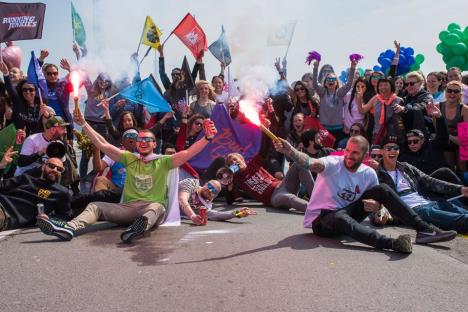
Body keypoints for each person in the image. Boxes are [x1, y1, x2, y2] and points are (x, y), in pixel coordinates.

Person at [37, 109, 218, 243]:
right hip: (128, 208)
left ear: (154, 144)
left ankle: (136, 229)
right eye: (140, 140)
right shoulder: (129, 158)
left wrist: (206, 139)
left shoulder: (164, 161)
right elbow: (103, 144)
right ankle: (69, 228)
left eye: (148, 140)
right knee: (95, 205)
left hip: (151, 209)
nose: (143, 142)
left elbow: (188, 153)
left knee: (157, 207)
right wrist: (84, 124)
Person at [272, 135, 457, 254]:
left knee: (382, 189)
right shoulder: (332, 163)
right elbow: (311, 163)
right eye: (347, 151)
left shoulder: (368, 173)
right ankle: (392, 244)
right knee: (339, 217)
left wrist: (377, 207)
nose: (349, 156)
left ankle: (424, 230)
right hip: (323, 221)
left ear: (364, 154)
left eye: (355, 153)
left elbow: (378, 206)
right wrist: (292, 152)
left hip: (348, 212)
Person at [376, 135, 468, 234]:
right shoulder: (377, 174)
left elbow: (430, 181)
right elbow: (373, 200)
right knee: (461, 220)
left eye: (396, 148)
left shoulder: (406, 167)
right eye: (388, 148)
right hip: (415, 210)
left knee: (464, 213)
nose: (393, 151)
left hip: (431, 202)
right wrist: (377, 217)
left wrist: (460, 189)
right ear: (381, 151)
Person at [0, 148, 72, 233]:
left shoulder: (61, 192)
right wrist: (1, 166)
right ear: (43, 166)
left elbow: (65, 215)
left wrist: (49, 219)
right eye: (51, 166)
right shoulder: (25, 178)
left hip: (6, 216)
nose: (54, 170)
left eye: (59, 169)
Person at [224, 151, 314, 212]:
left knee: (299, 163)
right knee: (289, 198)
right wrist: (229, 184)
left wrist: (265, 130)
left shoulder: (253, 163)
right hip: (274, 197)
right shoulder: (236, 179)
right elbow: (229, 201)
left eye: (235, 159)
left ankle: (317, 197)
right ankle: (317, 210)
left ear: (242, 159)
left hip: (282, 185)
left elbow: (265, 151)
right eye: (230, 163)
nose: (234, 162)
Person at [311, 58, 358, 144]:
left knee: (336, 150)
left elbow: (349, 84)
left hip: (338, 128)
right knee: (325, 150)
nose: (331, 81)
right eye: (328, 79)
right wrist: (315, 68)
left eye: (333, 79)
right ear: (325, 83)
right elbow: (314, 84)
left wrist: (352, 68)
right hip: (324, 128)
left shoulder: (339, 93)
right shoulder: (322, 92)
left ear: (337, 82)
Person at [178, 178, 256, 225]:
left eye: (213, 191)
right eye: (209, 186)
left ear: (214, 196)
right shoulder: (192, 183)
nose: (209, 190)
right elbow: (182, 199)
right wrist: (192, 216)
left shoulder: (204, 206)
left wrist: (237, 213)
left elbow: (216, 215)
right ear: (205, 184)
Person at [438, 81, 468, 175]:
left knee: (462, 168)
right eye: (449, 90)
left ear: (460, 93)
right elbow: (437, 130)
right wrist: (448, 136)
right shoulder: (438, 106)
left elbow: (464, 139)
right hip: (445, 141)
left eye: (456, 91)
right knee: (449, 168)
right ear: (445, 91)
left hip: (461, 141)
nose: (452, 93)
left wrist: (449, 136)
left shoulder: (464, 109)